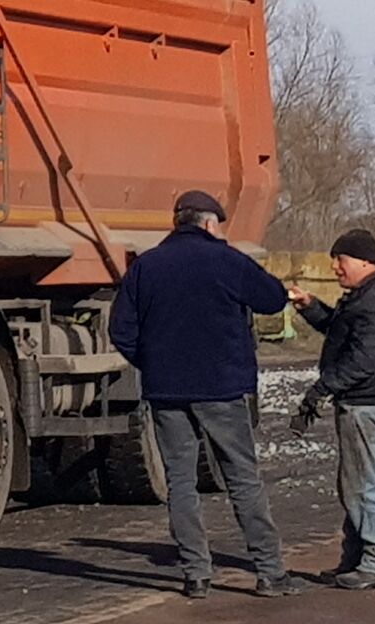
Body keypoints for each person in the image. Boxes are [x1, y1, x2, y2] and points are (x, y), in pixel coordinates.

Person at [110, 189, 305, 599]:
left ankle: (196, 576)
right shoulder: (226, 260)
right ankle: (270, 573)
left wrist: (155, 363)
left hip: (166, 392)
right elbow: (271, 299)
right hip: (222, 387)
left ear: (177, 222)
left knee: (180, 484)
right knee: (243, 480)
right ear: (211, 223)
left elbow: (121, 331)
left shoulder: (146, 267)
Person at [287, 228, 375, 591]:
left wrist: (321, 388)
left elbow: (364, 359)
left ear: (362, 261)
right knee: (355, 484)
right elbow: (342, 332)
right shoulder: (370, 295)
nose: (335, 266)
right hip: (366, 404)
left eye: (340, 259)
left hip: (366, 406)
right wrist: (311, 307)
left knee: (362, 487)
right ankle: (358, 558)